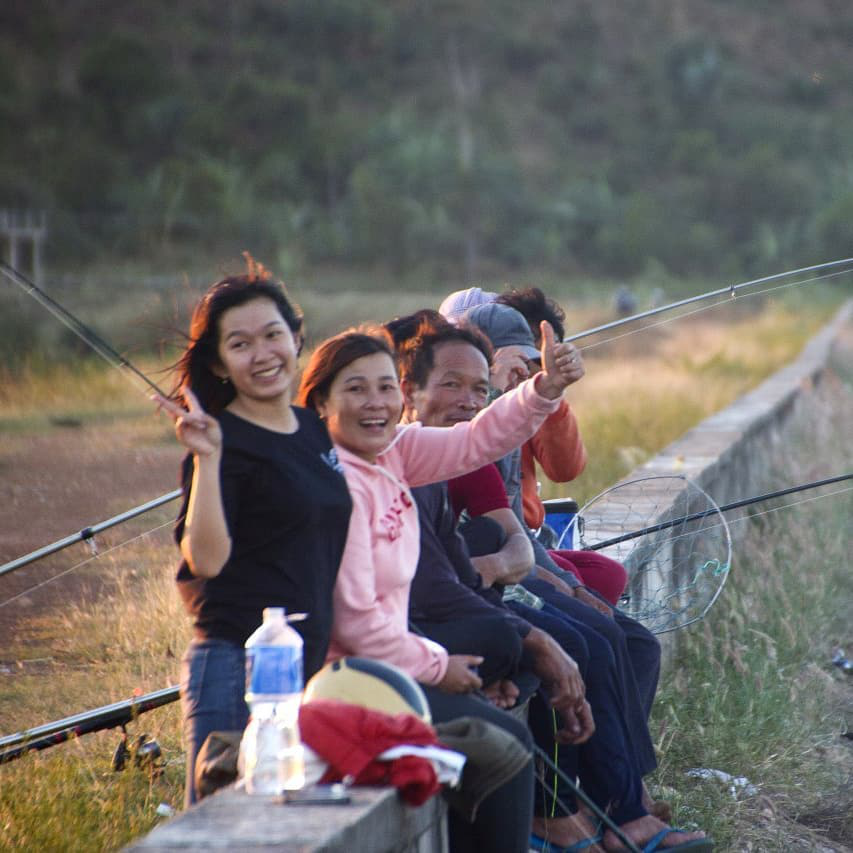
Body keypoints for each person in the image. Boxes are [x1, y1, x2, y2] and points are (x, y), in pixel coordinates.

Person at [398, 315, 710, 852]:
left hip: (474, 595)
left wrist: (546, 391)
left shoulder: (461, 450)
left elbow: (517, 543)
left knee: (623, 637)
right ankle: (561, 813)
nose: (468, 400)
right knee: (575, 641)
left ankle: (617, 800)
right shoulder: (399, 453)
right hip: (437, 619)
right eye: (451, 385)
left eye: (480, 389)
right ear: (409, 389)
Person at [296, 325, 587, 853]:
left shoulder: (394, 452)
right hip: (351, 681)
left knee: (503, 705)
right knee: (506, 747)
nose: (376, 403)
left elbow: (476, 440)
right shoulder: (335, 488)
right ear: (320, 403)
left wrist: (543, 389)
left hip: (398, 660)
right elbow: (357, 625)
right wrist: (440, 667)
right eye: (356, 389)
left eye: (386, 388)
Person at [155, 262, 353, 806]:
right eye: (240, 344)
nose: (263, 354)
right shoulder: (221, 440)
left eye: (273, 335)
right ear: (219, 361)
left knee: (289, 826)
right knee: (230, 831)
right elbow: (206, 560)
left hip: (306, 667)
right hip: (237, 669)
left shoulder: (312, 428)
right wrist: (210, 460)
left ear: (296, 336)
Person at [495, 287, 628, 604]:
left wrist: (551, 395)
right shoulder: (471, 412)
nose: (524, 367)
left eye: (533, 356)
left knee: (609, 576)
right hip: (502, 547)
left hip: (529, 540)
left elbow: (564, 469)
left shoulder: (531, 401)